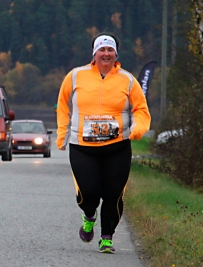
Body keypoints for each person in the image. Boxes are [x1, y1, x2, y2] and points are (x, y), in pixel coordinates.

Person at [56, 32, 151, 253]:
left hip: (117, 147)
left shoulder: (127, 80)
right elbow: (62, 104)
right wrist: (62, 134)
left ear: (115, 54)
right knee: (89, 192)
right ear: (94, 54)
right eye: (102, 50)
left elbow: (141, 109)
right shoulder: (75, 76)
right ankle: (89, 215)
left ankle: (107, 236)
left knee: (113, 194)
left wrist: (138, 129)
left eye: (110, 50)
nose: (106, 54)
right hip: (83, 147)